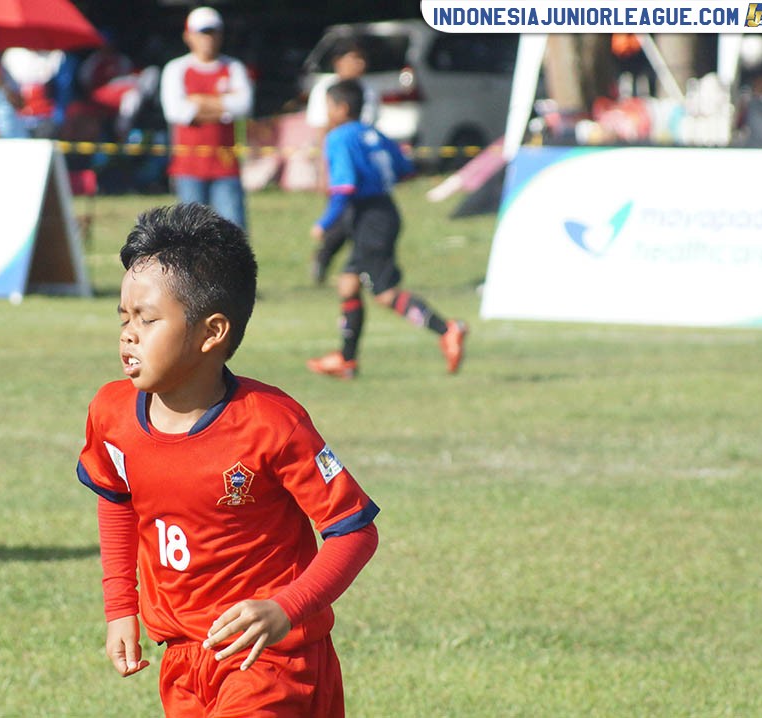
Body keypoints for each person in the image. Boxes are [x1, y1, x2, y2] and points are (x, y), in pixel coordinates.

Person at [77, 203, 379, 716]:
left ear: (212, 332)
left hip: (272, 661)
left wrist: (287, 608)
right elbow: (117, 500)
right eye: (123, 317)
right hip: (182, 659)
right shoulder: (112, 413)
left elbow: (354, 531)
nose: (128, 334)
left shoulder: (271, 422)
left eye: (147, 319)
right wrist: (121, 608)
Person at [307, 80, 468, 379]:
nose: (327, 113)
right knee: (348, 283)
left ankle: (447, 329)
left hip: (369, 217)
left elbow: (344, 186)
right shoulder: (374, 133)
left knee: (383, 293)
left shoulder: (339, 137)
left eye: (328, 107)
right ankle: (347, 359)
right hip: (384, 210)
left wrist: (325, 223)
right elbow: (405, 168)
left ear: (341, 108)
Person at [160, 7, 253, 229]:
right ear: (188, 36)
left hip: (225, 165)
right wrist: (222, 105)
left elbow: (243, 106)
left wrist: (198, 101)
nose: (208, 38)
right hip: (189, 166)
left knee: (233, 230)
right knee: (191, 233)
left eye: (213, 32)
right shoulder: (176, 69)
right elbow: (177, 111)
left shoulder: (233, 67)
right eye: (202, 32)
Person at [305, 39, 381, 285]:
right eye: (353, 58)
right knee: (345, 218)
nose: (359, 64)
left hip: (364, 170)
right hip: (341, 167)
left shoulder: (368, 91)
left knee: (357, 220)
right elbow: (321, 134)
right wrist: (323, 172)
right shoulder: (325, 90)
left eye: (361, 58)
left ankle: (354, 266)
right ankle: (329, 257)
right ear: (338, 62)